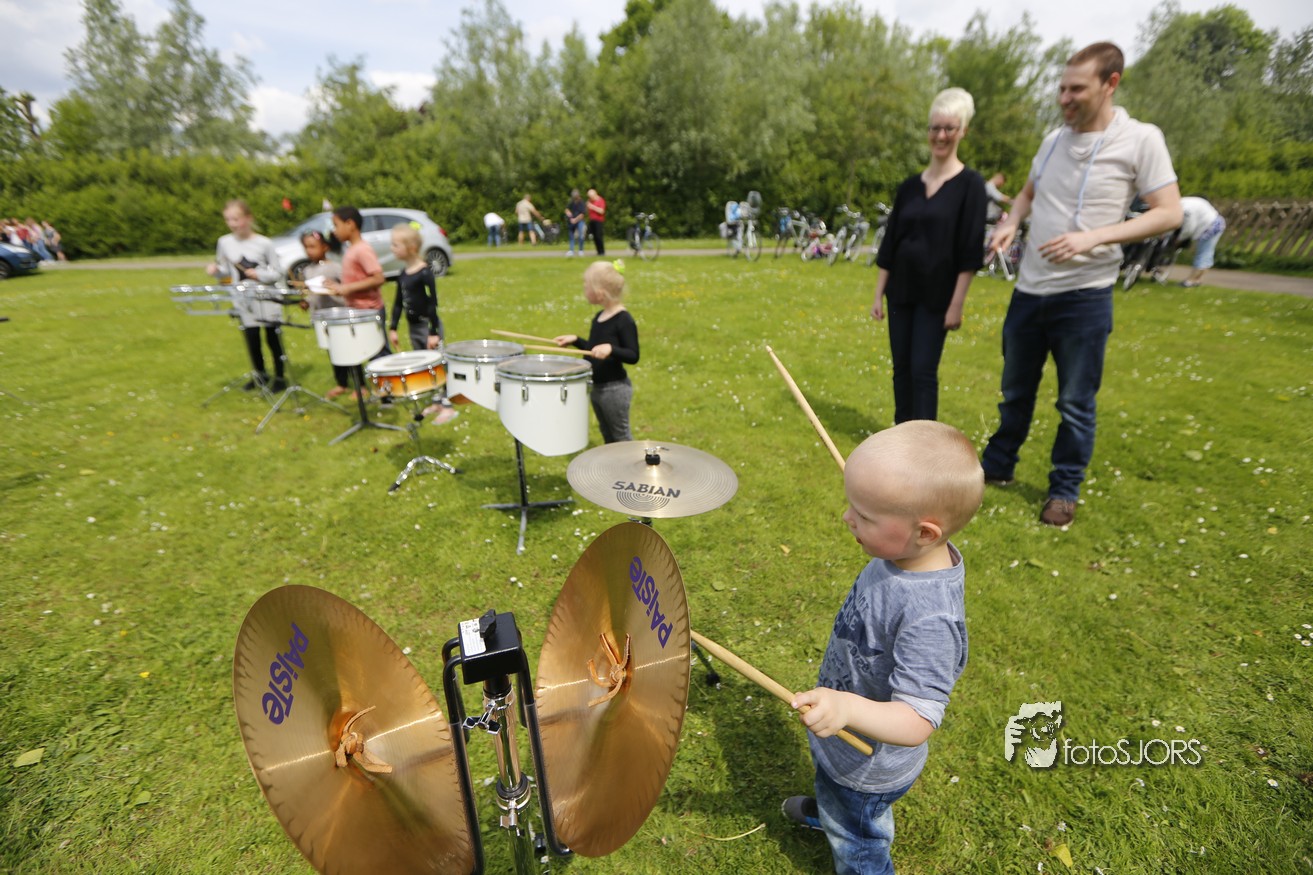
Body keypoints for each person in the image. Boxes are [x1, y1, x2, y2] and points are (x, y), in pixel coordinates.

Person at [982, 42, 1182, 528]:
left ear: (1110, 83)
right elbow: (1027, 193)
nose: (1064, 99)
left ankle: (1064, 490)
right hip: (1030, 291)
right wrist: (1012, 221)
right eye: (1062, 88)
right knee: (1015, 390)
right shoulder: (1053, 140)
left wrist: (1093, 237)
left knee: (1074, 402)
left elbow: (1169, 212)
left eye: (1076, 89)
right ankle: (998, 465)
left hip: (1084, 294)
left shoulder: (1140, 139)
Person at [783, 420, 983, 875]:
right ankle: (830, 811)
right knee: (837, 797)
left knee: (859, 843)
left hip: (867, 767)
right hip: (845, 747)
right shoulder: (905, 551)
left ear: (925, 533)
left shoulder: (930, 617)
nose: (846, 518)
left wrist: (846, 707)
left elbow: (918, 719)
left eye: (865, 515)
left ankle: (846, 827)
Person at [872, 87, 987, 424]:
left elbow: (970, 250)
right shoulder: (909, 187)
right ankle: (902, 434)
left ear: (962, 131)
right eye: (935, 128)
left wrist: (957, 304)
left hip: (937, 296)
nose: (941, 135)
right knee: (901, 369)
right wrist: (878, 293)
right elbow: (891, 243)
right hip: (900, 291)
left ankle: (925, 443)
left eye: (949, 128)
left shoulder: (971, 186)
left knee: (922, 370)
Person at [206, 199, 287, 391]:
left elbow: (277, 272)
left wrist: (259, 274)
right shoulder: (224, 242)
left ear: (248, 218)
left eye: (236, 219)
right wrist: (216, 271)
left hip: (266, 298)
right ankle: (259, 375)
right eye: (228, 220)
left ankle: (280, 377)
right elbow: (226, 271)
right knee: (252, 339)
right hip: (243, 299)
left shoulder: (264, 243)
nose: (232, 224)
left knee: (272, 339)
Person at [553, 260, 637, 442]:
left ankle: (629, 461)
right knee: (607, 434)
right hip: (597, 387)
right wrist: (576, 340)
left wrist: (611, 349)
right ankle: (613, 461)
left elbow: (633, 355)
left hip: (614, 389)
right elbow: (593, 351)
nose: (584, 289)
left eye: (587, 286)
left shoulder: (624, 320)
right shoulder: (599, 317)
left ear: (600, 292)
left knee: (621, 436)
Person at [387, 223, 458, 425]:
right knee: (425, 366)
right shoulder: (403, 273)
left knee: (439, 365)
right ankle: (436, 401)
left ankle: (448, 406)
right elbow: (398, 303)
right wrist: (393, 327)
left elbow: (431, 303)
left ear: (410, 247)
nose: (392, 248)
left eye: (396, 245)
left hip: (428, 328)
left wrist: (433, 332)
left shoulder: (424, 273)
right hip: (414, 328)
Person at [323, 206, 390, 399]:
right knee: (364, 351)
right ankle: (380, 391)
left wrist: (347, 289)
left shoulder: (362, 250)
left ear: (350, 224)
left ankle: (389, 394)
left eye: (336, 225)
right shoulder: (351, 249)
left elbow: (378, 278)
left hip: (370, 310)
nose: (334, 230)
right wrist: (336, 286)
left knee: (378, 354)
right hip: (359, 311)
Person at [290, 229, 351, 399]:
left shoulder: (335, 267)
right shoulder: (308, 270)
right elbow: (311, 294)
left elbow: (346, 288)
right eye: (306, 247)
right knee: (333, 352)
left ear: (325, 247)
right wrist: (306, 302)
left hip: (339, 316)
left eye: (312, 246)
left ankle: (360, 384)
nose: (309, 251)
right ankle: (342, 383)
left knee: (348, 349)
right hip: (322, 318)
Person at [1177, 196, 1226, 287]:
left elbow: (1189, 229)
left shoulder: (1186, 209)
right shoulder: (1184, 202)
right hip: (1216, 223)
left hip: (1210, 227)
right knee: (1207, 253)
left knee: (1203, 254)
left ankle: (1190, 281)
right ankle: (1197, 280)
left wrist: (1179, 239)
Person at [565, 190, 587, 257]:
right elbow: (567, 209)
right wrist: (568, 213)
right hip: (572, 220)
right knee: (571, 236)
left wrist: (575, 220)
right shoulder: (571, 202)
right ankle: (571, 250)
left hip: (579, 221)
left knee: (581, 235)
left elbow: (582, 214)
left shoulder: (582, 203)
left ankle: (581, 250)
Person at [586, 188, 607, 255]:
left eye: (591, 197)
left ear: (595, 195)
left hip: (599, 221)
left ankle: (602, 251)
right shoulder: (590, 201)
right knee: (594, 236)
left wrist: (592, 207)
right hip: (592, 220)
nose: (590, 198)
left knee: (598, 236)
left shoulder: (601, 200)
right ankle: (598, 251)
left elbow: (602, 211)